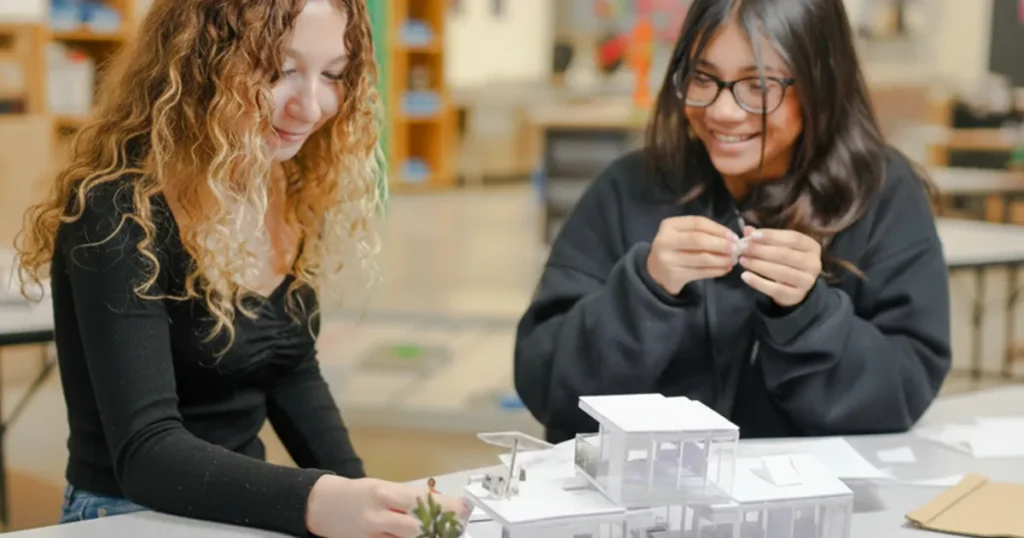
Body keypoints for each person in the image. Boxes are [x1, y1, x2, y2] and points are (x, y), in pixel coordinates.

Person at [14, 1, 467, 536]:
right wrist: (325, 499)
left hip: (241, 508)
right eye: (279, 71)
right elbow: (147, 453)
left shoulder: (279, 181)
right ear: (198, 60)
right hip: (124, 515)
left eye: (333, 75)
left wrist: (369, 499)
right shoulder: (115, 209)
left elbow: (290, 370)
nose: (311, 106)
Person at [514, 0, 951, 444]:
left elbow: (905, 390)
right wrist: (645, 292)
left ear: (822, 81)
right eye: (703, 78)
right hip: (645, 483)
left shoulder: (881, 192)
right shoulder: (630, 188)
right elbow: (544, 382)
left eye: (759, 85)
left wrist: (807, 316)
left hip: (813, 485)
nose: (723, 111)